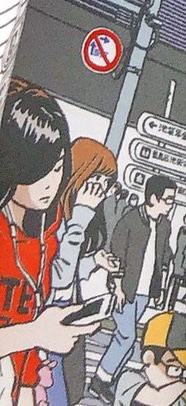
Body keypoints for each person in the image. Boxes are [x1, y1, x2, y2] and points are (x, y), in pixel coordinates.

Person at [0, 82, 105, 404]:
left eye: (58, 168)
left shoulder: (45, 231)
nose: (51, 182)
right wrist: (35, 333)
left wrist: (28, 388)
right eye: (41, 169)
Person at [50, 140, 122, 406]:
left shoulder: (77, 215)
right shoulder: (53, 214)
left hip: (67, 313)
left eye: (106, 183)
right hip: (48, 318)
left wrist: (94, 261)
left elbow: (68, 271)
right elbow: (58, 277)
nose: (100, 190)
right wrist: (81, 215)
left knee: (72, 389)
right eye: (97, 180)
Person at [91, 179, 176, 400]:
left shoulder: (165, 226)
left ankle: (109, 380)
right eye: (168, 199)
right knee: (126, 336)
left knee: (128, 342)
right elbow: (117, 253)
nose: (171, 204)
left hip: (145, 291)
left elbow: (163, 256)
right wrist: (118, 287)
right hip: (125, 288)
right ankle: (99, 381)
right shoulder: (130, 220)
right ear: (153, 198)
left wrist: (160, 288)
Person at [107, 312, 186, 406]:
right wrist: (181, 388)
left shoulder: (176, 396)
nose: (180, 378)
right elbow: (156, 399)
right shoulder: (130, 379)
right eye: (175, 369)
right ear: (149, 358)